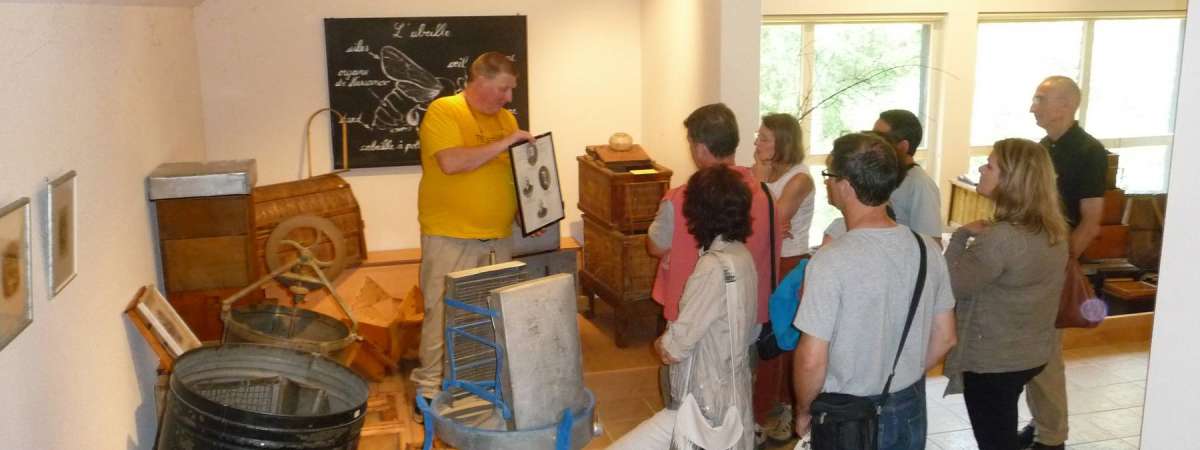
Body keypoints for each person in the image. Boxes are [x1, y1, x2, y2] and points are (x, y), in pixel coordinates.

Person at [792, 132, 957, 450]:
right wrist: (899, 377)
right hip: (909, 405)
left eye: (829, 175)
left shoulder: (830, 260)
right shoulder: (927, 249)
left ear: (846, 185)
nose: (827, 183)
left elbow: (811, 360)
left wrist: (803, 410)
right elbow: (946, 337)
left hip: (849, 415)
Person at [410, 51, 533, 414]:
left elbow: (512, 172)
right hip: (451, 235)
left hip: (498, 236)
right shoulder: (445, 110)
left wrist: (531, 207)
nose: (508, 98)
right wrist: (506, 143)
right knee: (441, 313)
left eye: (511, 90)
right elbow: (451, 162)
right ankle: (430, 389)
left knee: (490, 315)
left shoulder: (507, 119)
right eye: (503, 88)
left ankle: (479, 382)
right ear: (480, 80)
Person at [610, 165, 758, 450]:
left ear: (699, 213)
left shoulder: (712, 267)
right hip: (733, 397)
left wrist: (660, 343)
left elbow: (674, 349)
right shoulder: (742, 256)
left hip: (702, 404)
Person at [942, 138, 1070, 450]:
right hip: (1030, 355)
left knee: (995, 442)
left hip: (993, 363)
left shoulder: (1001, 238)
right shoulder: (1052, 231)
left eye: (990, 166)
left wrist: (960, 237)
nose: (981, 170)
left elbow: (949, 286)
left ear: (1011, 179)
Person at [1019, 75, 1108, 450]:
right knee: (1031, 351)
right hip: (1032, 261)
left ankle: (1052, 436)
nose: (1032, 107)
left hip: (1054, 266)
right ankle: (1041, 422)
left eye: (1040, 99)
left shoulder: (1088, 151)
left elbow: (1091, 221)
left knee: (1046, 354)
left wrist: (1062, 264)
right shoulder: (1042, 148)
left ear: (1067, 104)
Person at [648, 103, 778, 333]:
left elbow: (656, 246)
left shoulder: (679, 199)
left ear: (700, 148)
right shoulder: (765, 195)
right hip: (748, 311)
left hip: (693, 316)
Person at [749, 112, 815, 443]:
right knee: (762, 336)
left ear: (783, 143)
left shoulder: (800, 178)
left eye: (764, 138)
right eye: (758, 136)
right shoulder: (761, 171)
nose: (757, 142)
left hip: (788, 263)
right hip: (764, 259)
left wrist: (766, 215)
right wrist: (766, 218)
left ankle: (780, 409)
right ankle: (763, 407)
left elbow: (772, 218)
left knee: (780, 337)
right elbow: (751, 216)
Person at [821, 110, 942, 244]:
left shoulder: (920, 184)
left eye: (880, 137)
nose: (872, 141)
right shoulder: (875, 175)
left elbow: (933, 242)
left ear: (903, 146)